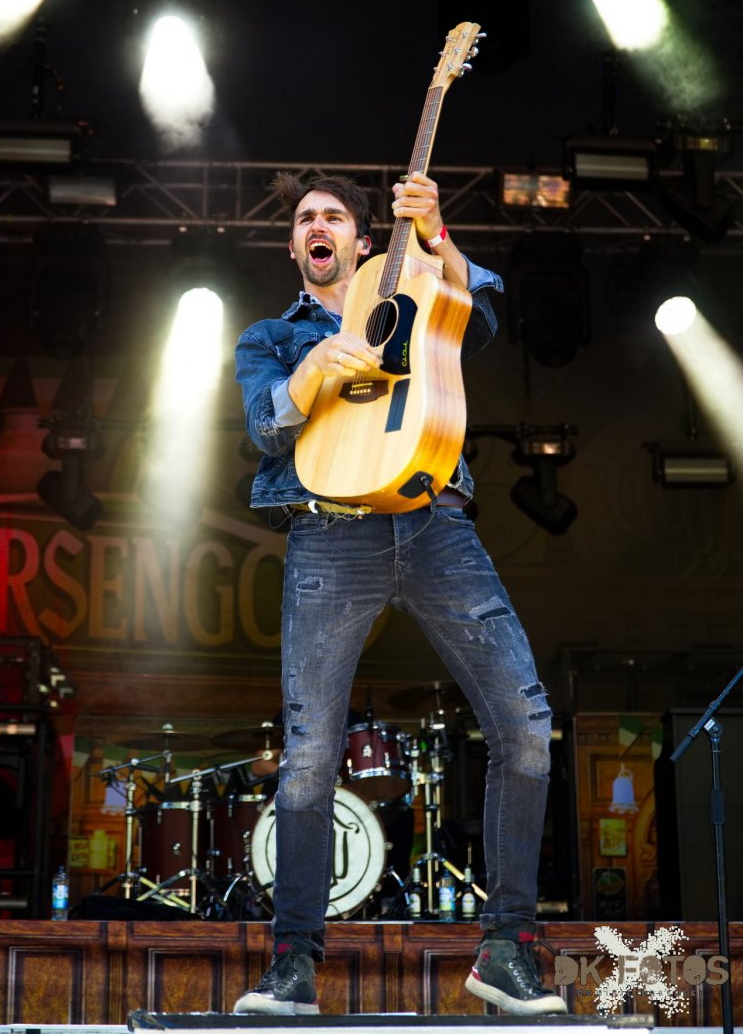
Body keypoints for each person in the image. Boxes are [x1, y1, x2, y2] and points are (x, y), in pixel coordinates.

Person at [232, 169, 566, 1017]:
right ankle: (293, 966)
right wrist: (314, 368)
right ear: (294, 246)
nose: (317, 226)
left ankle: (508, 949)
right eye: (304, 219)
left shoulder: (415, 289)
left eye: (333, 216)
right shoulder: (273, 335)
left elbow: (480, 314)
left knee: (526, 728)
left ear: (361, 240)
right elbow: (266, 426)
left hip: (434, 523)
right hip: (329, 533)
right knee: (310, 754)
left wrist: (439, 232)